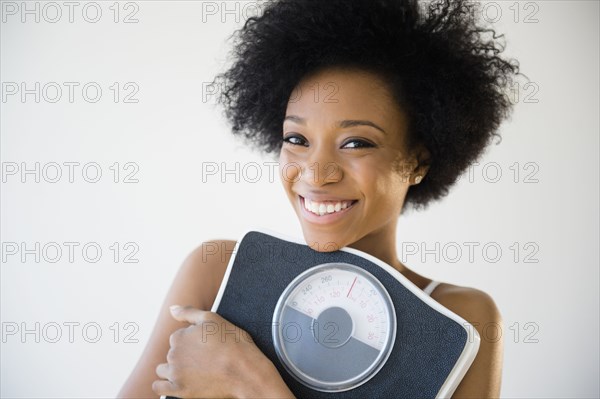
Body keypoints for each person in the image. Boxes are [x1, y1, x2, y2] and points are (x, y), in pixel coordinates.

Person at [118, 0, 521, 397]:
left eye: (356, 142)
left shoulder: (457, 321)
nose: (315, 171)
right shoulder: (217, 272)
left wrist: (250, 382)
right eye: (297, 139)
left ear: (417, 162)